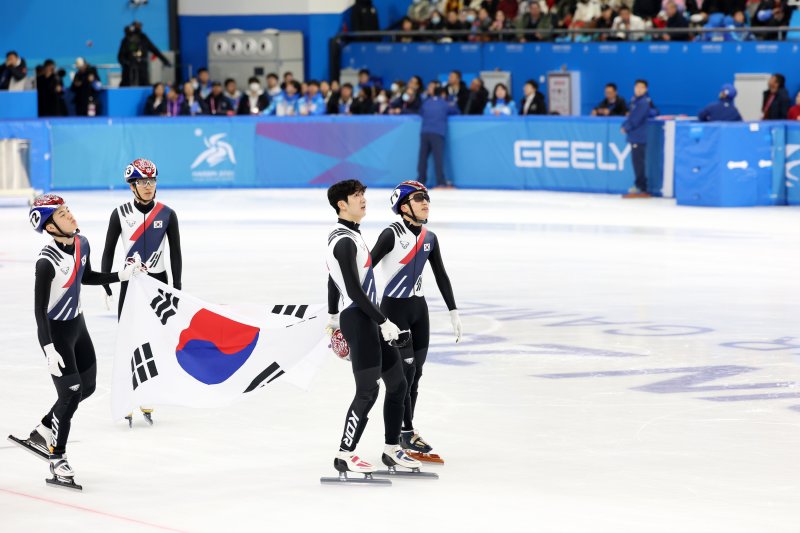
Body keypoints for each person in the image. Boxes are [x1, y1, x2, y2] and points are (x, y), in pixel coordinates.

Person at [8, 194, 142, 489]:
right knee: (71, 393)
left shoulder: (82, 243)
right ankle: (57, 457)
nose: (70, 215)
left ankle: (43, 429)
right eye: (62, 214)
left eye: (68, 209)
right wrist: (48, 348)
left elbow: (86, 276)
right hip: (56, 334)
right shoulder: (46, 263)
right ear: (50, 227)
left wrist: (121, 274)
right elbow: (39, 310)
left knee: (88, 386)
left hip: (78, 327)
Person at [324, 179, 420, 477]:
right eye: (356, 195)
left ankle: (392, 449)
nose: (363, 199)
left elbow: (332, 278)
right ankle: (344, 454)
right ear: (342, 204)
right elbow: (352, 289)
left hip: (367, 318)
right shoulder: (343, 241)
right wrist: (384, 321)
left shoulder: (351, 235)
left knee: (398, 384)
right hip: (360, 319)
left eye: (363, 194)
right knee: (367, 391)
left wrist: (331, 314)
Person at [368, 181, 462, 462]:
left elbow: (441, 275)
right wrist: (370, 310)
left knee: (416, 375)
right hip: (395, 312)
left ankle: (407, 431)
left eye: (427, 199)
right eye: (419, 198)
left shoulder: (430, 238)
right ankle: (396, 436)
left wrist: (453, 310)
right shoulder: (390, 235)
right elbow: (365, 270)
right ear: (403, 206)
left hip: (419, 312)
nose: (426, 203)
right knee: (403, 378)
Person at [101, 159, 182, 427]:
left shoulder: (167, 214)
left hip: (158, 283)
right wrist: (106, 283)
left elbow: (176, 254)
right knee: (128, 340)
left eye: (152, 181)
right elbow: (108, 251)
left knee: (155, 340)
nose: (149, 187)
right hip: (131, 284)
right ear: (132, 186)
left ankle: (146, 393)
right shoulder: (120, 213)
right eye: (142, 182)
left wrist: (177, 288)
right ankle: (126, 396)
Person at [622, 79, 658, 197]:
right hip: (635, 136)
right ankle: (639, 185)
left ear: (645, 89)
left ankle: (642, 187)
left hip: (639, 136)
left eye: (641, 87)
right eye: (637, 87)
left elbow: (636, 118)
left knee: (638, 163)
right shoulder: (634, 101)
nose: (638, 89)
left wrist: (626, 127)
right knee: (636, 162)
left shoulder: (643, 102)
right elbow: (631, 115)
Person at [418, 87, 460, 187]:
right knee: (438, 158)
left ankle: (420, 180)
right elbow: (456, 110)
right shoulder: (444, 103)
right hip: (437, 133)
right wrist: (451, 100)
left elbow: (421, 112)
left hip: (425, 132)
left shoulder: (426, 102)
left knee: (423, 157)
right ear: (442, 94)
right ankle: (440, 181)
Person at [117, 21, 171, 87]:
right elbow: (120, 57)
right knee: (127, 84)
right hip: (129, 70)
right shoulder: (126, 40)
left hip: (142, 69)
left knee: (144, 84)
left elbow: (154, 50)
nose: (138, 27)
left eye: (139, 26)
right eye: (136, 26)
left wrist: (165, 60)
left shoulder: (143, 38)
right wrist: (127, 64)